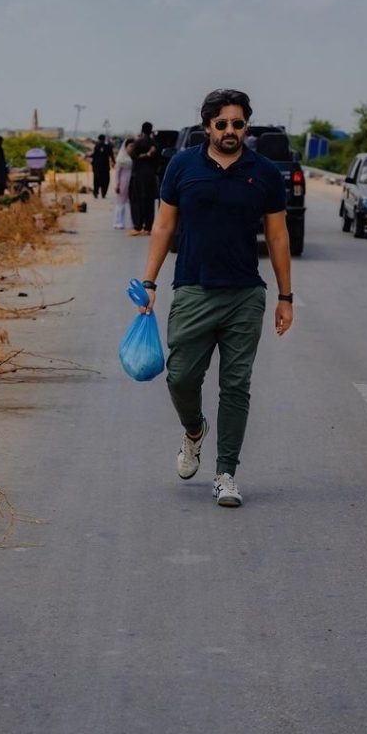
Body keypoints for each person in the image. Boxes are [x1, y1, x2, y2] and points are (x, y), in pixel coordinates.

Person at [136, 89, 293, 507]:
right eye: (221, 123)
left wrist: (285, 296)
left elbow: (278, 236)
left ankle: (226, 474)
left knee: (236, 385)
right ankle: (194, 430)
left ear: (246, 127)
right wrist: (148, 283)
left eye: (237, 124)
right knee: (181, 377)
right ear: (207, 125)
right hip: (193, 290)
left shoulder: (264, 173)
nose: (229, 131)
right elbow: (164, 226)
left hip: (245, 295)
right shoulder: (182, 166)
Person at [128, 121, 158, 235]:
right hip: (150, 176)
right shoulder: (154, 143)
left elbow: (133, 156)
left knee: (137, 200)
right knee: (149, 201)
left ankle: (138, 225)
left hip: (138, 176)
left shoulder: (138, 142)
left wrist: (144, 155)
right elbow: (158, 159)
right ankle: (148, 227)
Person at [113, 137, 134, 229]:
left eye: (133, 146)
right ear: (126, 146)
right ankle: (118, 222)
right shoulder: (121, 158)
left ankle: (133, 222)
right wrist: (117, 184)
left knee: (132, 203)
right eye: (130, 146)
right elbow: (117, 172)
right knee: (120, 203)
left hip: (132, 182)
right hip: (123, 182)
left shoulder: (134, 156)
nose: (132, 148)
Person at [91, 134, 115, 199]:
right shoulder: (108, 146)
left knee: (96, 180)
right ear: (104, 139)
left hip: (97, 167)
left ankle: (96, 192)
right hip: (105, 167)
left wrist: (88, 156)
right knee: (106, 180)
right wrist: (113, 162)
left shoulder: (97, 146)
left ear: (98, 139)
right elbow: (112, 155)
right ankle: (103, 193)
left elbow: (94, 155)